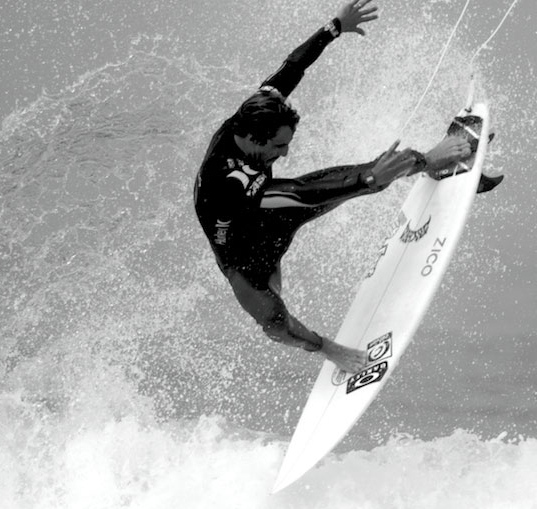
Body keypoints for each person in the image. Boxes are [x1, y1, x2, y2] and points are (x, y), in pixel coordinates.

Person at [193, 0, 492, 374]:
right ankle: (329, 349)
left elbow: (293, 66)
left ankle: (431, 162)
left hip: (270, 213)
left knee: (371, 172)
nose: (285, 153)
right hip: (244, 254)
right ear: (252, 138)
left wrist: (334, 27)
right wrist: (366, 181)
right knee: (276, 325)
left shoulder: (259, 109)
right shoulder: (228, 185)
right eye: (278, 147)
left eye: (287, 143)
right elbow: (301, 193)